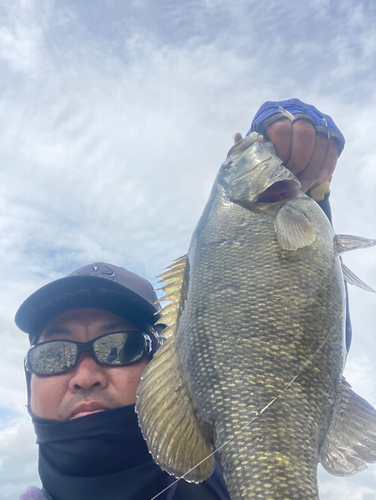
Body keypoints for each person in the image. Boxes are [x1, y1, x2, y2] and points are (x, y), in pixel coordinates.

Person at [15, 99, 346, 500]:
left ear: (178, 369)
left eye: (121, 346)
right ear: (28, 380)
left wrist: (312, 199)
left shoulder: (235, 473)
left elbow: (301, 339)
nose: (86, 375)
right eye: (53, 353)